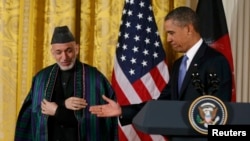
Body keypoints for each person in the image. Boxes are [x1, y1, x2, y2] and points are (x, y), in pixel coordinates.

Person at [89, 6, 232, 141]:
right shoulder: (179, 65)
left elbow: (218, 113)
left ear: (188, 29)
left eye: (171, 33)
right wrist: (123, 110)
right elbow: (162, 103)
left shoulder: (215, 61)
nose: (168, 39)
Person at [15, 26, 118, 141]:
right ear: (52, 53)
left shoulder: (95, 78)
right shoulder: (41, 78)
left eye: (69, 51)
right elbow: (35, 113)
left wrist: (58, 110)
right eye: (58, 52)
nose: (64, 57)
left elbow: (96, 120)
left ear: (76, 49)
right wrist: (64, 104)